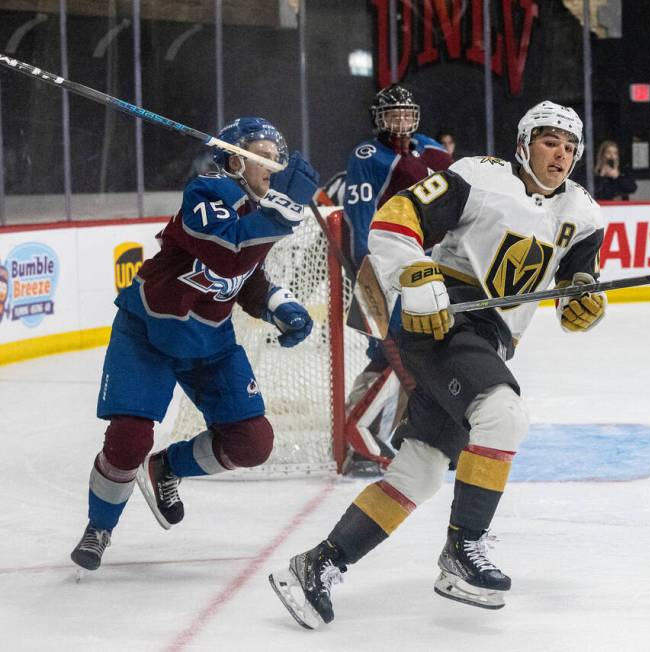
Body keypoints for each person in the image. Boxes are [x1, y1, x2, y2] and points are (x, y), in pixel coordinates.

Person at [268, 101, 606, 628]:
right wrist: (417, 272)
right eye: (548, 142)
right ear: (523, 144)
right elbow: (395, 218)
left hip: (488, 341)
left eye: (568, 146)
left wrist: (582, 304)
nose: (559, 154)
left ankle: (317, 564)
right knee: (503, 415)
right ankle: (463, 550)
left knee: (420, 472)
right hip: (440, 321)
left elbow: (575, 288)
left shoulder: (582, 214)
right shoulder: (480, 177)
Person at [70, 117, 320, 571]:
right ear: (232, 159)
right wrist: (286, 209)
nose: (274, 163)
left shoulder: (262, 211)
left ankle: (167, 468)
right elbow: (226, 251)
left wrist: (278, 305)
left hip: (211, 341)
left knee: (252, 442)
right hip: (148, 333)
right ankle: (100, 526)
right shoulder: (207, 192)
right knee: (129, 439)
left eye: (276, 155)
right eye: (262, 153)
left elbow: (243, 274)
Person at [342, 84, 452, 466]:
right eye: (393, 114)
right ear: (379, 118)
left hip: (426, 266)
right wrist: (367, 265)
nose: (401, 120)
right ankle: (356, 434)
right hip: (385, 268)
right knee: (389, 352)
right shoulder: (368, 156)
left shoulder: (433, 150)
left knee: (418, 353)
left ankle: (392, 432)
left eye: (407, 112)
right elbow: (360, 215)